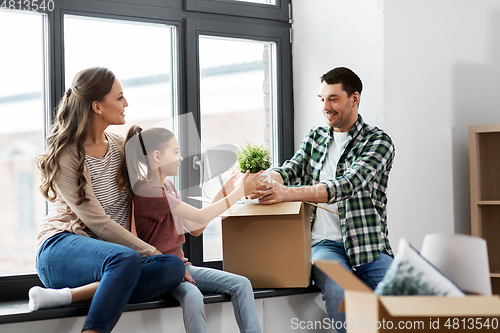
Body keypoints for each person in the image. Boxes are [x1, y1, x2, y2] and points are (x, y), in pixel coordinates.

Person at [31, 67, 185, 333]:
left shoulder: (120, 147)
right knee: (128, 260)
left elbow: (155, 178)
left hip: (113, 259)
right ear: (97, 107)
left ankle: (67, 297)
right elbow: (98, 222)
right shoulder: (67, 153)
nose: (126, 103)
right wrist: (151, 251)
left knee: (171, 267)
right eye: (120, 97)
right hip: (60, 248)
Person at [252, 67, 395, 333]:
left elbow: (346, 185)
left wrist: (287, 193)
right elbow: (290, 169)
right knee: (340, 292)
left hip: (369, 247)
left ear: (355, 99)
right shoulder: (315, 138)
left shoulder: (378, 142)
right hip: (325, 246)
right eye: (322, 99)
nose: (325, 107)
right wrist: (267, 180)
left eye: (333, 99)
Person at [123, 125, 263, 333]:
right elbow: (201, 217)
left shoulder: (167, 187)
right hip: (162, 271)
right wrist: (239, 193)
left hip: (181, 266)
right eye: (176, 152)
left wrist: (226, 192)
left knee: (241, 284)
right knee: (193, 295)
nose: (181, 158)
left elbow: (196, 227)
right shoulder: (148, 192)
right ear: (157, 156)